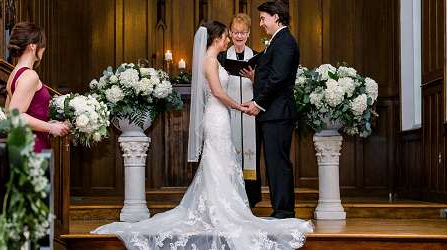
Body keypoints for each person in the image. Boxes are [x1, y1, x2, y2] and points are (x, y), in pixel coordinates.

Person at [92, 21, 312, 250]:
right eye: (226, 37)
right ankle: (219, 211)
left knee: (221, 164)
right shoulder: (209, 60)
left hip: (221, 118)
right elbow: (217, 92)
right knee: (216, 163)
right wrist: (240, 107)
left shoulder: (214, 59)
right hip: (217, 118)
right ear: (216, 38)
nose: (228, 40)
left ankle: (220, 207)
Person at [242, 1, 300, 219]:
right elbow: (273, 76)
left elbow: (278, 79)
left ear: (276, 17)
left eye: (263, 18)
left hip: (278, 114)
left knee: (278, 163)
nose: (261, 23)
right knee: (274, 163)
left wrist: (257, 103)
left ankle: (284, 211)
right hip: (273, 113)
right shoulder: (277, 41)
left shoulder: (284, 42)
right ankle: (281, 209)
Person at [217, 13, 261, 208]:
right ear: (230, 33)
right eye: (235, 32)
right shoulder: (223, 57)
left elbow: (266, 88)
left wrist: (254, 78)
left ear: (249, 33)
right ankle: (232, 199)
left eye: (243, 32)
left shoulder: (258, 57)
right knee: (229, 155)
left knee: (252, 155)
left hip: (252, 114)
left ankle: (250, 200)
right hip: (230, 111)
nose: (239, 36)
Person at [5, 22, 69, 152]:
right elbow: (14, 116)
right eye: (42, 44)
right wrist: (51, 128)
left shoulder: (14, 74)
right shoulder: (30, 75)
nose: (44, 48)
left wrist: (47, 124)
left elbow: (8, 113)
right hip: (33, 146)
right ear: (33, 46)